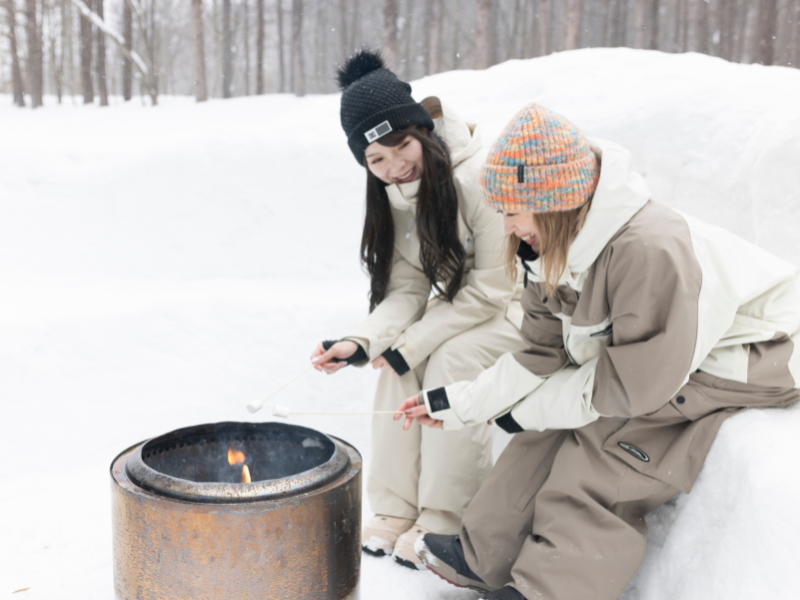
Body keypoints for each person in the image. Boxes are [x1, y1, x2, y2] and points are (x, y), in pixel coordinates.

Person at [397, 103, 800, 599]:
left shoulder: (650, 252)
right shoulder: (546, 249)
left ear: (554, 203)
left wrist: (521, 411)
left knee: (611, 449)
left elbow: (634, 388)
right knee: (542, 432)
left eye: (511, 211)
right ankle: (486, 552)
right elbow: (540, 355)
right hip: (655, 356)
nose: (505, 228)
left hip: (754, 352)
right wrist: (460, 403)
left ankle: (550, 588)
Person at [310, 50, 526, 569]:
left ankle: (444, 515)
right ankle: (395, 508)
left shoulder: (480, 177)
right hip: (464, 310)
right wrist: (363, 342)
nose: (393, 166)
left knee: (447, 363)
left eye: (400, 146)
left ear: (423, 131)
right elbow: (407, 287)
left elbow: (496, 287)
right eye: (375, 159)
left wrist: (413, 344)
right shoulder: (398, 191)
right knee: (394, 370)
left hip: (522, 310)